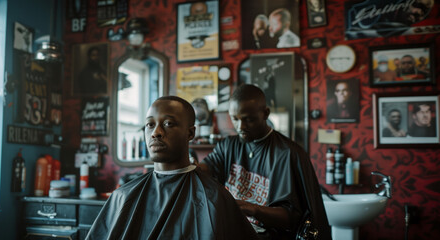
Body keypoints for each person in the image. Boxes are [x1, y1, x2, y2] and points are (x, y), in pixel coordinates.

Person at [86, 96, 258, 239]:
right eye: (150, 125)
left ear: (190, 133)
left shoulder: (215, 199)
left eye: (168, 123)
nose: (156, 132)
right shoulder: (122, 196)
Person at [198, 85, 331, 239]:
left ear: (265, 113)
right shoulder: (228, 146)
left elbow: (292, 218)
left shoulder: (286, 153)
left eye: (249, 119)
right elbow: (207, 167)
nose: (241, 127)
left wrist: (251, 208)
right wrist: (191, 165)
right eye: (235, 119)